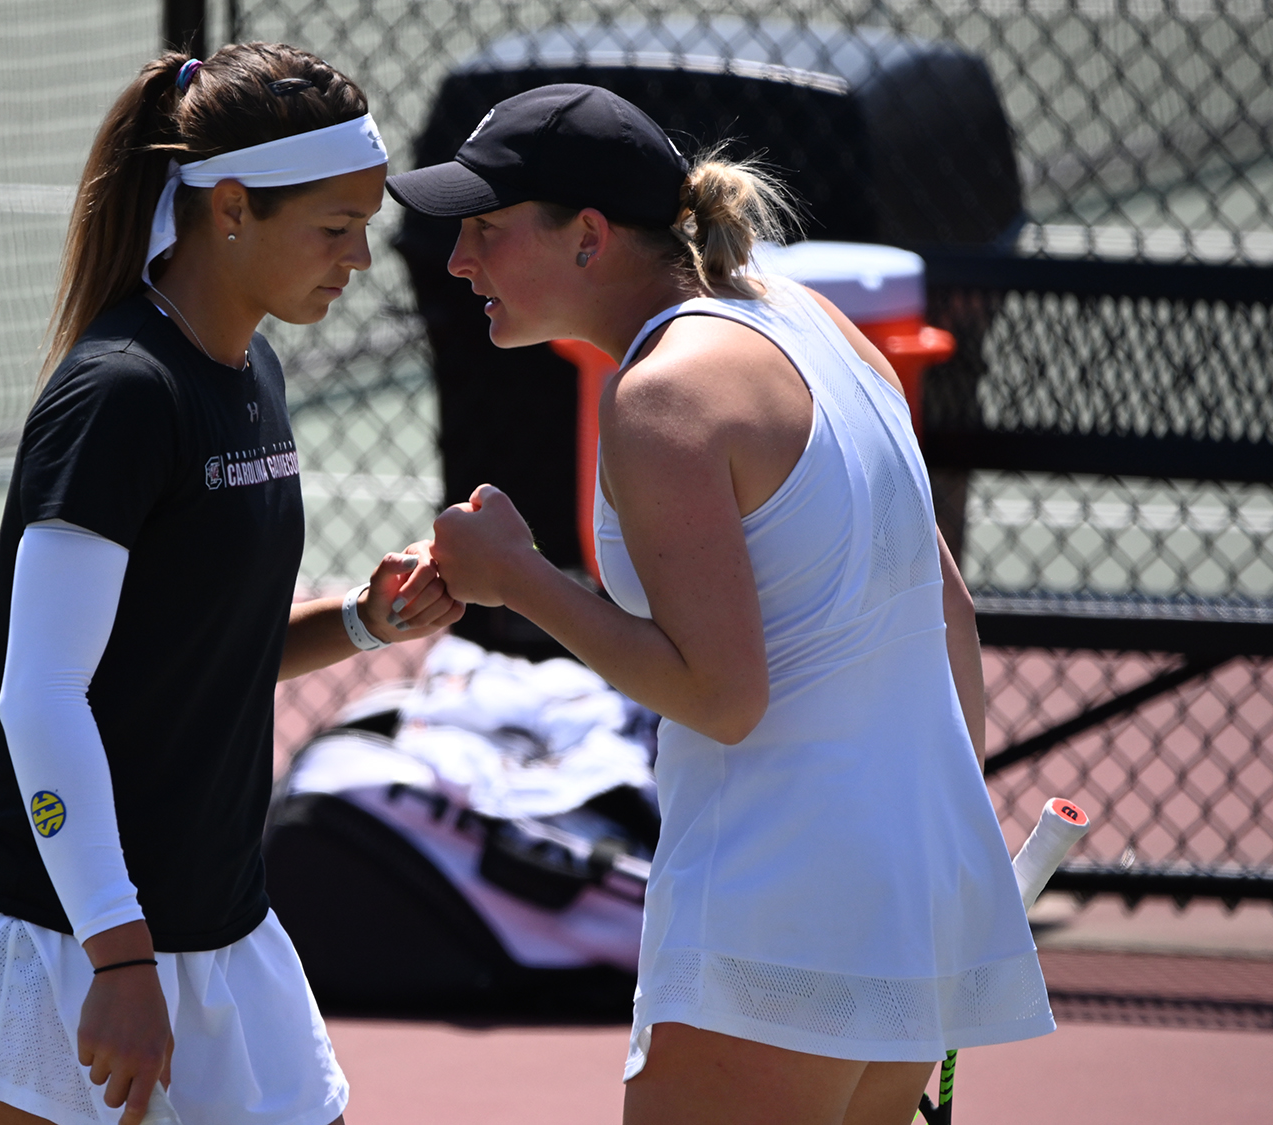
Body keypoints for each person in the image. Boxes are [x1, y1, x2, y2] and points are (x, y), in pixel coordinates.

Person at [395, 85, 1054, 1125]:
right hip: (917, 904)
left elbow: (721, 695)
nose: (457, 260)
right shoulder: (816, 323)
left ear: (588, 237)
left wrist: (515, 577)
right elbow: (950, 614)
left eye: (484, 228)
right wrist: (944, 858)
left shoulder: (662, 396)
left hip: (773, 920)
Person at [0, 43, 462, 1125]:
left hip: (209, 924)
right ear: (229, 210)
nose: (359, 257)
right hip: (61, 939)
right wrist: (119, 959)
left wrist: (367, 623)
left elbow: (199, 649)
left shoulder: (251, 372)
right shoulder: (121, 396)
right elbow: (39, 696)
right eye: (333, 227)